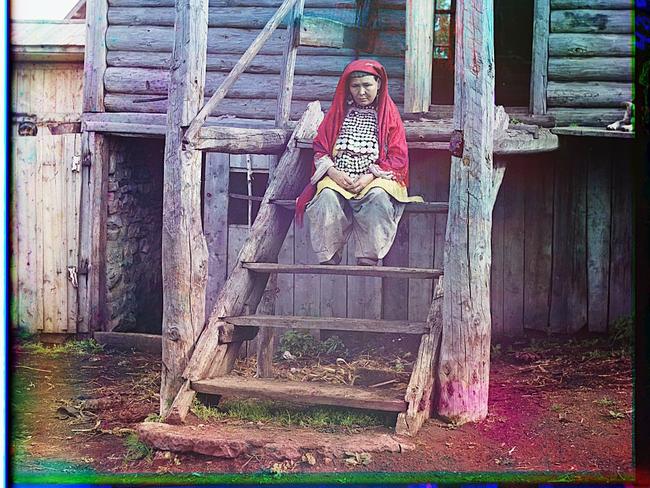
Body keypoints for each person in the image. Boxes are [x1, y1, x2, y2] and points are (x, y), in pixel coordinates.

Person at [296, 59, 422, 266]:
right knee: (326, 196)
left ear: (379, 84)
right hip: (339, 175)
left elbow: (398, 156)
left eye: (367, 85)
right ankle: (330, 253)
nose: (361, 92)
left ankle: (368, 253)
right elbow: (320, 148)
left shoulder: (389, 115)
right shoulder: (338, 114)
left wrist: (370, 176)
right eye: (355, 86)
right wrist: (333, 173)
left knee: (378, 196)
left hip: (376, 176)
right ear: (348, 87)